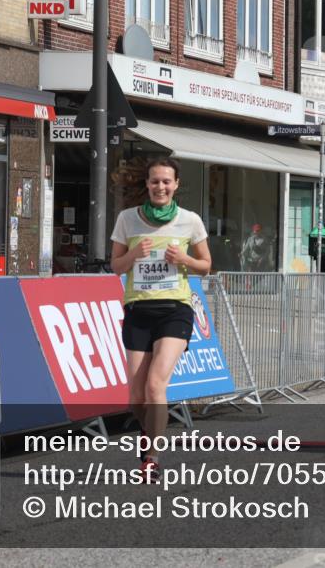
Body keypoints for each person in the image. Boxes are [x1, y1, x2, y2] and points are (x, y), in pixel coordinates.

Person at [110, 158, 211, 482]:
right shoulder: (128, 219)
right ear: (147, 184)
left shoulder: (189, 221)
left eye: (166, 181)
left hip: (175, 309)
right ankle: (150, 430)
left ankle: (150, 460)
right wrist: (133, 256)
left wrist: (184, 259)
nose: (160, 187)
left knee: (156, 385)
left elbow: (206, 264)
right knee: (136, 398)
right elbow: (115, 266)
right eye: (155, 181)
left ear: (176, 184)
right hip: (139, 311)